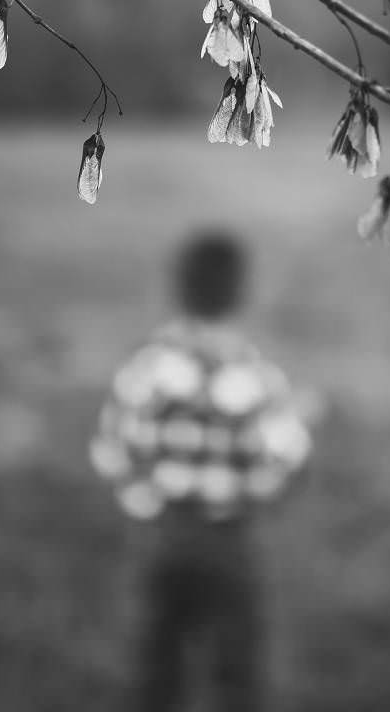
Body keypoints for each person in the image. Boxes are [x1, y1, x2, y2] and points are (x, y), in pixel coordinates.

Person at [89, 230, 316, 712]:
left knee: (154, 664)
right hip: (232, 542)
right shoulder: (257, 379)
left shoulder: (144, 370)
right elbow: (287, 459)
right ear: (240, 293)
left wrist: (144, 500)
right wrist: (258, 492)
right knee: (238, 673)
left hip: (162, 536)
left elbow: (112, 451)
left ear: (178, 288)